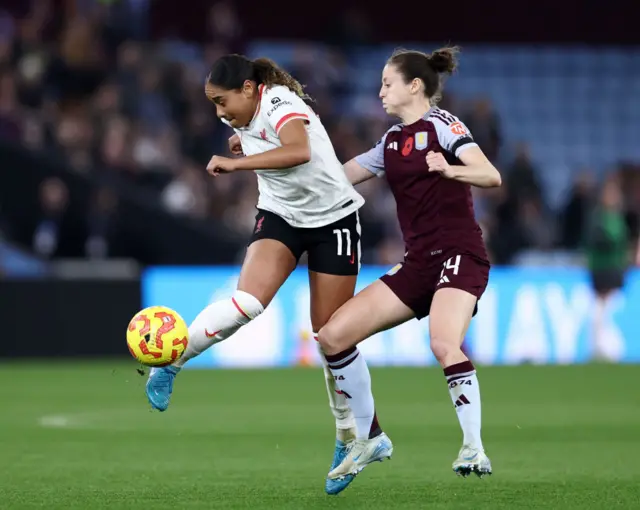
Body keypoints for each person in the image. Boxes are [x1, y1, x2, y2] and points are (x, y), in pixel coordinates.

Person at [145, 54, 365, 495]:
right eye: (212, 104)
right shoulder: (239, 116)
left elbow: (299, 150)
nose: (218, 113)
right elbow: (268, 144)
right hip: (281, 215)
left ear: (249, 89)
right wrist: (246, 146)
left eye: (221, 101)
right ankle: (173, 361)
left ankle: (347, 437)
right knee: (247, 301)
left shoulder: (280, 101)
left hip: (333, 221)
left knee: (331, 337)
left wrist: (237, 163)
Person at [314, 46, 501, 490]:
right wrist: (268, 159)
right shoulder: (391, 143)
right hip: (418, 265)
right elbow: (338, 177)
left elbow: (490, 174)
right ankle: (370, 437)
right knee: (332, 337)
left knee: (443, 343)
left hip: (460, 254)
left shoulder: (444, 126)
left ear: (413, 86)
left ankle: (473, 446)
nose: (379, 91)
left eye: (387, 83)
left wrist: (450, 170)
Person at [584, 176, 629, 361]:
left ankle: (607, 350)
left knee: (604, 314)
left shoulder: (618, 219)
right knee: (599, 314)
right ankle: (599, 350)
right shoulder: (597, 219)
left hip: (613, 272)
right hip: (600, 272)